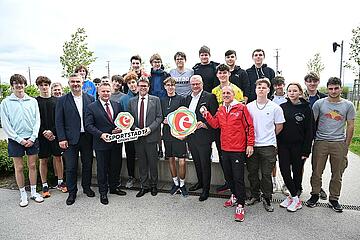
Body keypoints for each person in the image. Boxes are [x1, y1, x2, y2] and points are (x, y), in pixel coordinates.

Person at [202, 85, 254, 222]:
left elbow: (249, 127)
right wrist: (206, 115)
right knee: (229, 176)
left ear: (234, 94)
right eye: (223, 93)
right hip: (225, 148)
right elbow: (215, 124)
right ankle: (234, 195)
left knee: (238, 178)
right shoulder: (220, 109)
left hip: (238, 149)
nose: (225, 95)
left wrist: (250, 144)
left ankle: (241, 205)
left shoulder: (242, 108)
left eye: (228, 93)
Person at [306, 77, 355, 213]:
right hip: (321, 142)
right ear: (327, 89)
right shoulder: (319, 104)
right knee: (316, 171)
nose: (333, 91)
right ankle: (315, 194)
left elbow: (351, 126)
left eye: (336, 88)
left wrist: (346, 145)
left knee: (337, 173)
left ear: (340, 88)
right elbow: (312, 124)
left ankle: (334, 198)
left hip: (339, 143)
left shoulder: (348, 105)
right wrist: (309, 141)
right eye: (330, 88)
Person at [0, 74, 43, 207]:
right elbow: (5, 123)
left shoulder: (32, 101)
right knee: (18, 168)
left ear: (25, 85)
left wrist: (33, 136)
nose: (19, 86)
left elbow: (37, 120)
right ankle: (23, 194)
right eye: (16, 83)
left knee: (32, 166)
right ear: (12, 85)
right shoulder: (6, 103)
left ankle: (34, 192)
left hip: (31, 138)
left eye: (21, 83)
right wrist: (18, 139)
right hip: (15, 139)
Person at [55, 73, 95, 205]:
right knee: (71, 167)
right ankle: (72, 192)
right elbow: (58, 121)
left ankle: (87, 187)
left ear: (82, 83)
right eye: (72, 82)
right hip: (70, 139)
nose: (75, 84)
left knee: (88, 165)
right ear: (69, 84)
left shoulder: (90, 99)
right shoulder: (62, 100)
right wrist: (61, 138)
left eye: (78, 81)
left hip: (87, 138)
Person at [245, 78, 285, 212]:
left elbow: (279, 126)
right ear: (255, 90)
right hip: (252, 145)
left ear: (269, 90)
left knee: (266, 174)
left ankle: (267, 198)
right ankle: (255, 195)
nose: (261, 89)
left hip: (268, 146)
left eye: (264, 87)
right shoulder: (249, 106)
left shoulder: (275, 107)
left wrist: (269, 136)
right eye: (259, 87)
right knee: (252, 173)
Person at [85, 82, 126, 205]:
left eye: (108, 91)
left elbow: (121, 121)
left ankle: (114, 187)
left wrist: (120, 128)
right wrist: (101, 134)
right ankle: (103, 192)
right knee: (102, 168)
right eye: (103, 91)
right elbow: (88, 125)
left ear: (111, 92)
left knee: (115, 166)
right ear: (98, 92)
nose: (106, 93)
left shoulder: (117, 105)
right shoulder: (91, 107)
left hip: (116, 143)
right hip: (101, 143)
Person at [277, 83, 313, 212]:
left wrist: (306, 150)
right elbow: (278, 126)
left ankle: (295, 197)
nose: (292, 93)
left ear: (300, 92)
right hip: (283, 145)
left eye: (295, 91)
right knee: (284, 171)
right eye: (290, 91)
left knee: (297, 173)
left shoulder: (306, 109)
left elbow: (310, 131)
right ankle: (294, 197)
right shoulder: (281, 107)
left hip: (299, 146)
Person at [184, 75, 219, 201]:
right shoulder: (188, 98)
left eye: (197, 84)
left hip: (204, 136)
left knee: (205, 163)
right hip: (191, 136)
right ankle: (200, 183)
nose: (195, 86)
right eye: (193, 84)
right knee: (197, 162)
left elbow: (215, 117)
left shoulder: (210, 97)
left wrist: (205, 124)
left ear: (202, 84)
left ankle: (206, 189)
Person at [211, 63, 244, 193]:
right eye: (220, 73)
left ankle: (237, 187)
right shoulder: (214, 91)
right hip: (219, 128)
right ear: (217, 75)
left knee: (233, 159)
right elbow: (214, 109)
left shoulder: (236, 89)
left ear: (229, 74)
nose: (223, 75)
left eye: (225, 72)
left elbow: (242, 110)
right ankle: (227, 182)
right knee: (222, 156)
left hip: (233, 131)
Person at [128, 77, 163, 198]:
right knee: (142, 163)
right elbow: (129, 119)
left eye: (145, 86)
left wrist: (150, 129)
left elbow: (159, 117)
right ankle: (144, 186)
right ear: (137, 87)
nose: (143, 88)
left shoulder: (156, 100)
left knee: (153, 163)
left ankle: (154, 185)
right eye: (141, 86)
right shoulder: (131, 101)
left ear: (148, 87)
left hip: (151, 137)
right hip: (138, 138)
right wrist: (134, 128)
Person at [36, 76, 67, 198]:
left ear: (49, 86)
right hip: (42, 135)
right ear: (38, 86)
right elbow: (35, 120)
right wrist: (44, 132)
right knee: (43, 160)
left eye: (46, 85)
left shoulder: (57, 101)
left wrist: (53, 132)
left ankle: (60, 182)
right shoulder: (35, 101)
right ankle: (44, 184)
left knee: (58, 158)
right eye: (41, 85)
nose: (44, 87)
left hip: (55, 135)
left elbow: (59, 119)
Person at [161, 77, 189, 197]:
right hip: (167, 133)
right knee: (171, 159)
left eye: (172, 85)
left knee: (182, 161)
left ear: (175, 86)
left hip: (179, 134)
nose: (171, 87)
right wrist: (164, 121)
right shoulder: (161, 100)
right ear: (165, 86)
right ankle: (175, 183)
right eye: (168, 85)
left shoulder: (181, 99)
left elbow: (185, 116)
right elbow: (159, 116)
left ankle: (182, 184)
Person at [303, 72, 328, 200]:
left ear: (318, 82)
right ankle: (297, 185)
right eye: (309, 81)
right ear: (305, 82)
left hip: (319, 134)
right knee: (300, 161)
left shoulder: (324, 98)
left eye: (314, 81)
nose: (312, 83)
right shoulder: (300, 96)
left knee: (318, 163)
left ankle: (318, 187)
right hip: (303, 135)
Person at [269, 76, 288, 195]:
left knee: (286, 161)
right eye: (276, 85)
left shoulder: (289, 97)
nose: (278, 87)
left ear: (284, 85)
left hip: (287, 134)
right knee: (272, 160)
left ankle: (286, 183)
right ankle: (274, 181)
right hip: (273, 134)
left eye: (280, 84)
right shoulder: (270, 98)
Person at [148, 53, 170, 158]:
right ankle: (159, 149)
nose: (157, 64)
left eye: (158, 62)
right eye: (155, 62)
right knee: (156, 128)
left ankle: (168, 149)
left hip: (164, 102)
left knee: (166, 126)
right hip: (153, 103)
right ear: (151, 63)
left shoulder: (166, 74)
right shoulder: (149, 76)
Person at [119, 72, 138, 188]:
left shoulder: (143, 95)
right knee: (130, 155)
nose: (132, 85)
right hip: (129, 132)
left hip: (141, 131)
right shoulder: (123, 99)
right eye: (130, 83)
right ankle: (131, 176)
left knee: (142, 155)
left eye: (134, 82)